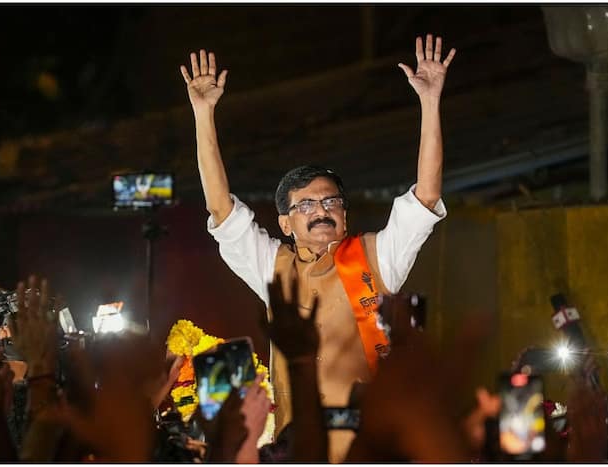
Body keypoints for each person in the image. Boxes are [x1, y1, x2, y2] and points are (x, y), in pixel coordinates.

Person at [180, 33, 455, 462]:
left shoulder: (378, 257)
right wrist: (203, 114)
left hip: (368, 450)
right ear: (285, 222)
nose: (321, 211)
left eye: (331, 202)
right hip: (297, 450)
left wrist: (431, 101)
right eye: (306, 205)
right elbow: (221, 210)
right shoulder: (271, 266)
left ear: (345, 214)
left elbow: (426, 195)